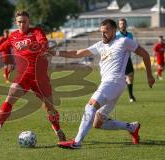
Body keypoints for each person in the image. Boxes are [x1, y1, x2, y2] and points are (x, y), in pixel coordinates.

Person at [48, 19, 155, 149]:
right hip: (112, 85)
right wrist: (55, 53)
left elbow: (144, 54)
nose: (103, 34)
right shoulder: (100, 45)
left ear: (114, 31)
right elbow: (77, 53)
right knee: (98, 122)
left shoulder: (123, 41)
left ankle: (76, 142)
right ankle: (132, 127)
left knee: (90, 106)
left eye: (106, 32)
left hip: (113, 81)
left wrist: (149, 75)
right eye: (101, 32)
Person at [0, 10, 66, 142]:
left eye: (24, 21)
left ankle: (58, 130)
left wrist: (42, 48)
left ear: (29, 22)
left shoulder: (36, 32)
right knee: (11, 96)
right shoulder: (13, 36)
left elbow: (43, 42)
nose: (22, 24)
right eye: (19, 22)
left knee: (49, 107)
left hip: (40, 77)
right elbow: (6, 44)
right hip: (23, 75)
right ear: (15, 22)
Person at [116, 18, 136, 102]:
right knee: (117, 79)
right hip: (119, 60)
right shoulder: (116, 35)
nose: (122, 25)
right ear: (119, 25)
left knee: (130, 76)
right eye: (121, 24)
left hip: (127, 59)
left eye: (124, 23)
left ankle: (131, 96)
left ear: (126, 24)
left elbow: (132, 46)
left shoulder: (130, 35)